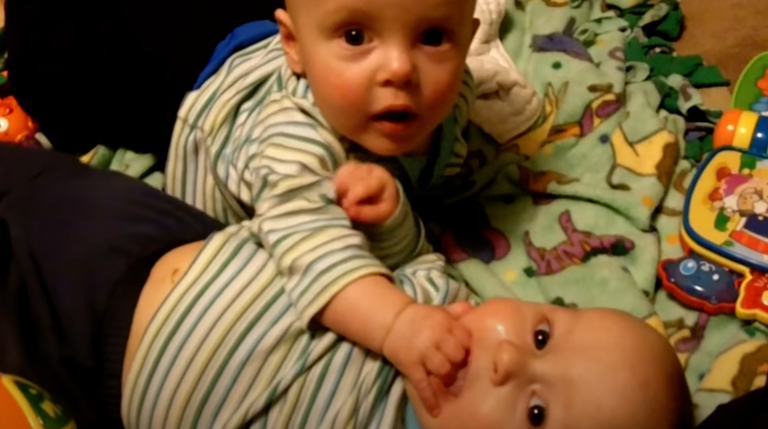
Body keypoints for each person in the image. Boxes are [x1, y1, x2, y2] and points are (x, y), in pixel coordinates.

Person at [0, 144, 693, 429]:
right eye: (540, 333)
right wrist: (389, 215)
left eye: (537, 414)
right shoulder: (435, 305)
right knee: (38, 181)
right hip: (170, 238)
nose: (509, 356)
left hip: (94, 352)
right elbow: (409, 257)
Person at [165, 0, 487, 414]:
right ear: (293, 45)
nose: (400, 69)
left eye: (432, 37)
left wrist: (395, 219)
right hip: (202, 91)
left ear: (467, 44)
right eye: (356, 37)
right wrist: (398, 323)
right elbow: (314, 254)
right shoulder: (290, 144)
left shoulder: (456, 94)